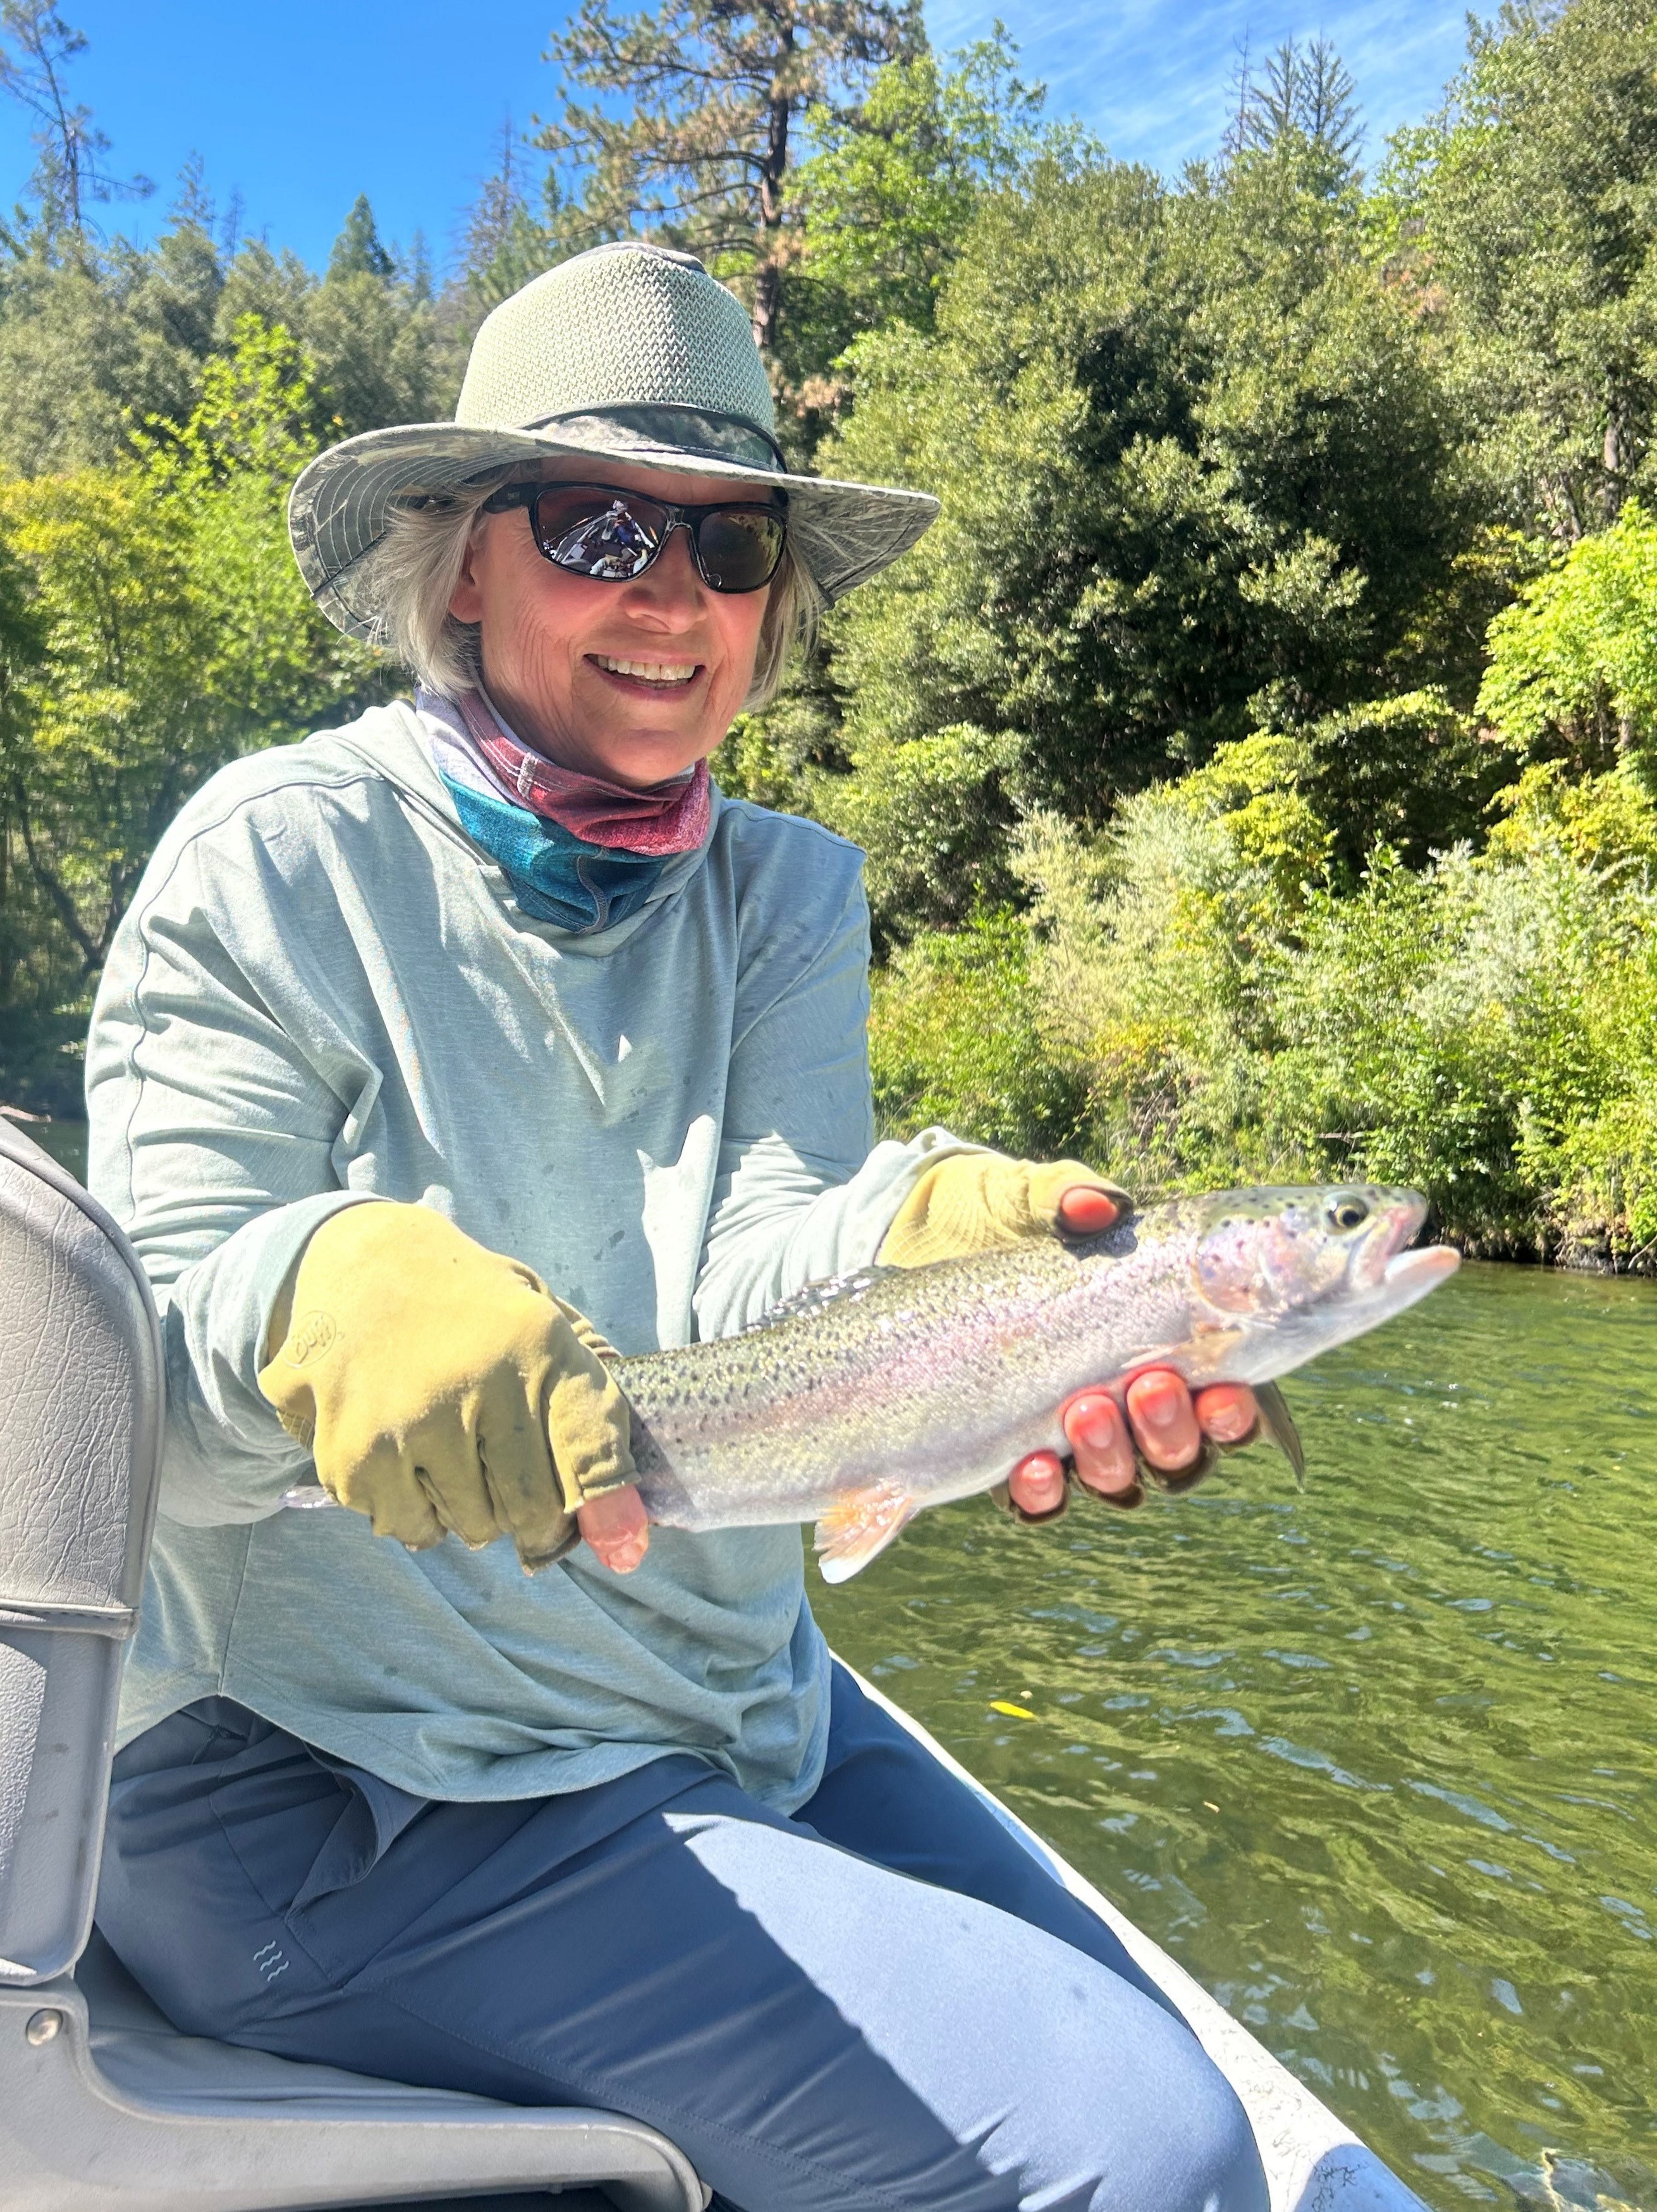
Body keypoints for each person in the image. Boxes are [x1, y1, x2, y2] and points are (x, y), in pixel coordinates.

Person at [88, 243, 1268, 2212]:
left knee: (1146, 2056)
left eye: (734, 553)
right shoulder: (279, 854)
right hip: (320, 1790)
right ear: (462, 561)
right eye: (605, 524)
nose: (677, 599)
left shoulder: (786, 890)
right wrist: (300, 1286)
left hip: (719, 1710)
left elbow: (760, 1255)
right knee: (1150, 2154)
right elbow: (114, 1429)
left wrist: (932, 1229)